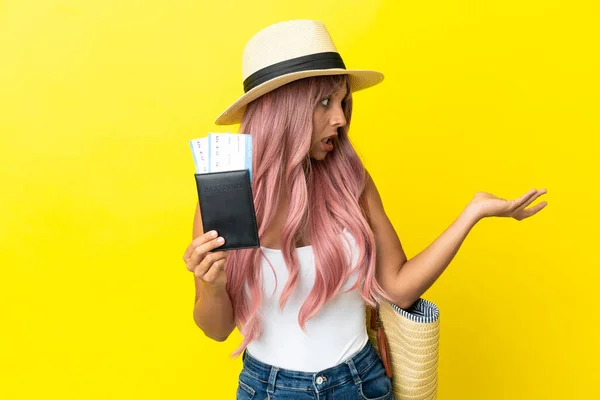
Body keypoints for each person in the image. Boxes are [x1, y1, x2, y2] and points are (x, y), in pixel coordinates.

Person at [182, 20, 548, 400]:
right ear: (283, 108)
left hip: (360, 385)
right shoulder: (225, 199)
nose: (340, 118)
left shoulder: (350, 181)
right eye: (324, 102)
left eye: (342, 102)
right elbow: (217, 330)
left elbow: (399, 290)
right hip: (268, 389)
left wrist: (472, 213)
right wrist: (212, 288)